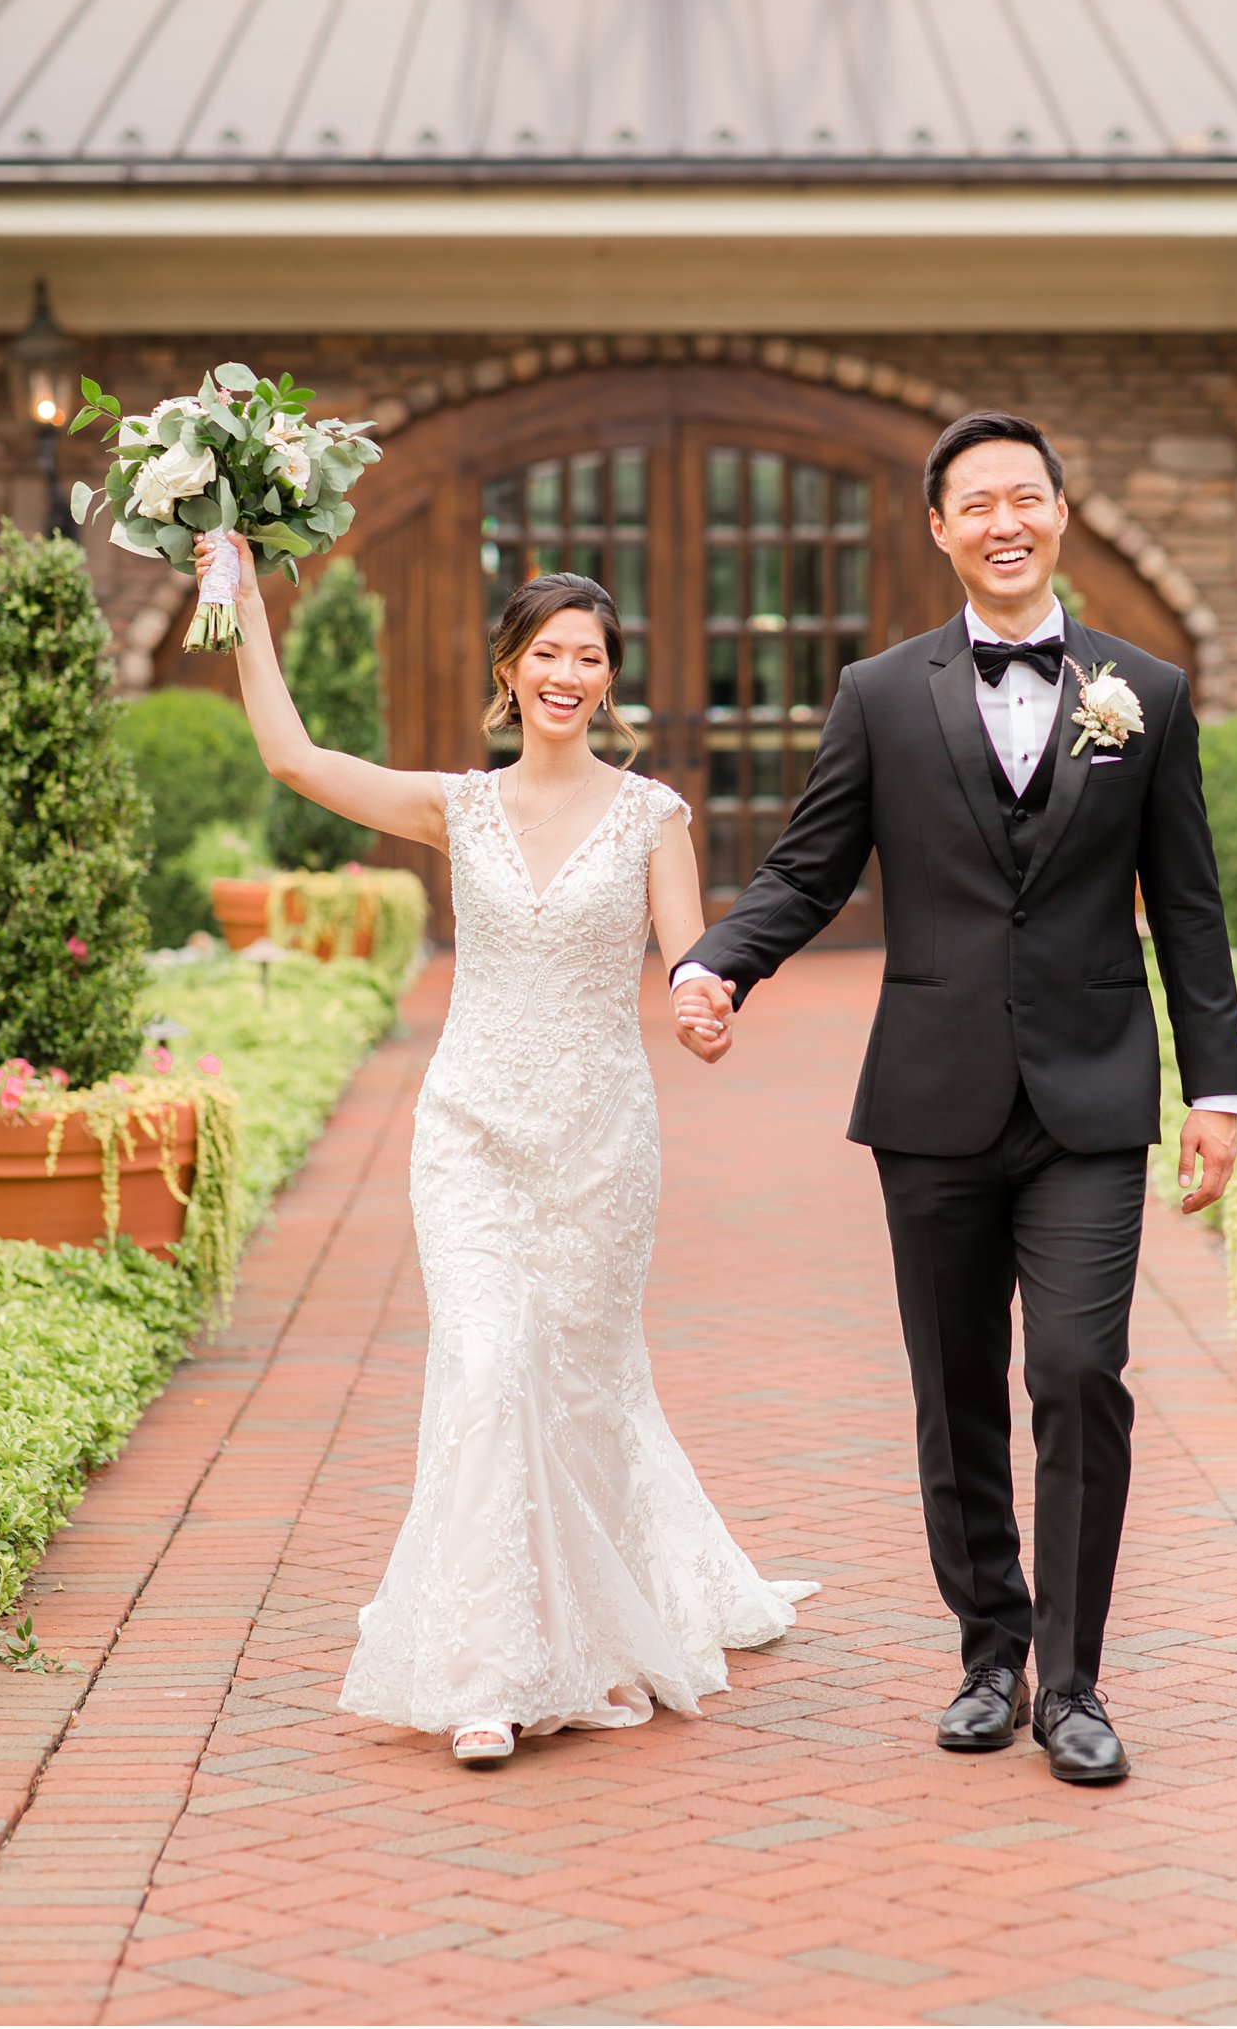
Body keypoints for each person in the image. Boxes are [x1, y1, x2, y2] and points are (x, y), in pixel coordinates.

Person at [670, 409, 1237, 1786]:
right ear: (940, 530)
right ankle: (991, 1652)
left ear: (1060, 514)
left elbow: (1190, 903)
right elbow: (812, 868)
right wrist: (717, 964)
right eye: (975, 503)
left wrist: (1217, 1083)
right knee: (956, 1387)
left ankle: (1077, 1679)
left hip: (1093, 1099)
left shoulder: (1146, 695)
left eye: (1025, 498)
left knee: (1076, 1368)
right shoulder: (880, 693)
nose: (1003, 520)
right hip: (931, 1096)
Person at [195, 532, 814, 1766]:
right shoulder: (453, 805)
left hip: (596, 1141)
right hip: (469, 1128)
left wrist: (705, 1003)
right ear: (509, 671)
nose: (567, 674)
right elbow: (292, 755)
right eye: (547, 654)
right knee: (484, 1365)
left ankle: (600, 1604)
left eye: (588, 656)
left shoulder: (653, 816)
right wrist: (244, 598)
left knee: (574, 1379)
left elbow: (691, 955)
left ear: (608, 679)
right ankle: (487, 1673)